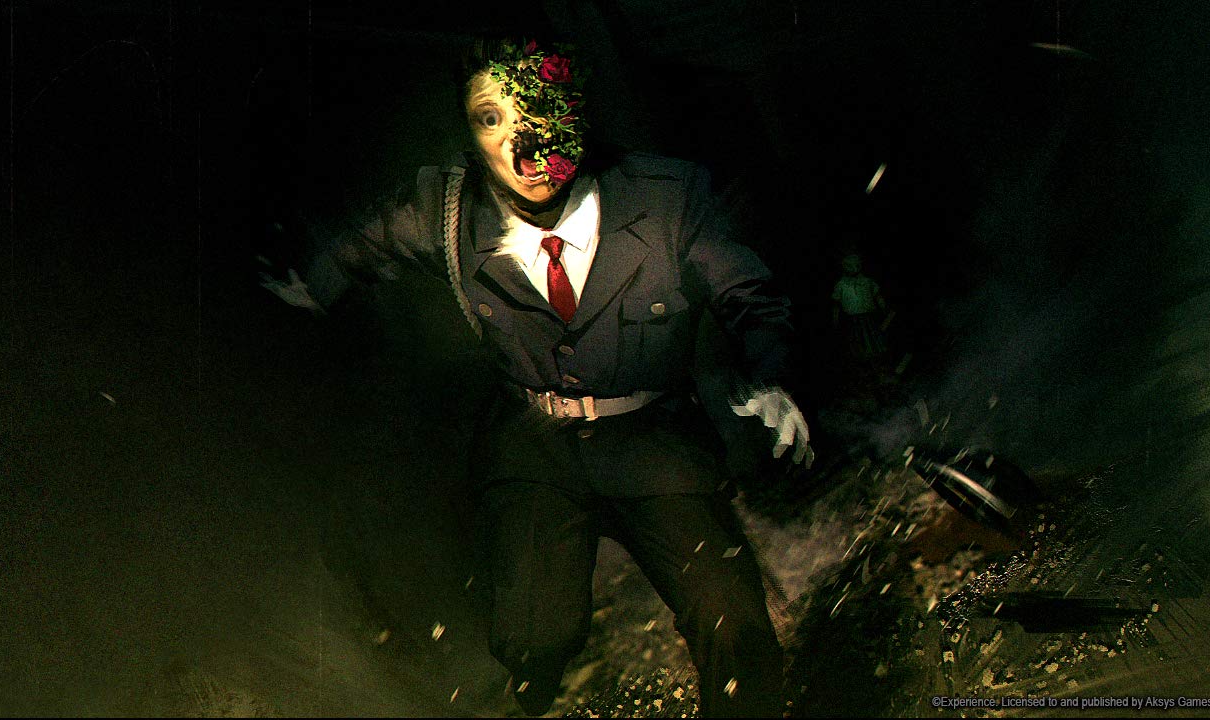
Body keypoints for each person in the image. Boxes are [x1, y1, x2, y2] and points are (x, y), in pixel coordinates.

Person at [263, 38, 813, 717]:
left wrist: (769, 378)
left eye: (540, 108)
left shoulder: (666, 196)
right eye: (491, 117)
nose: (522, 142)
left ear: (577, 111)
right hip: (536, 452)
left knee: (736, 629)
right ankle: (533, 678)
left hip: (654, 442)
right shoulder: (444, 211)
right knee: (530, 638)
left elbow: (750, 296)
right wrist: (310, 289)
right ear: (472, 136)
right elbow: (362, 246)